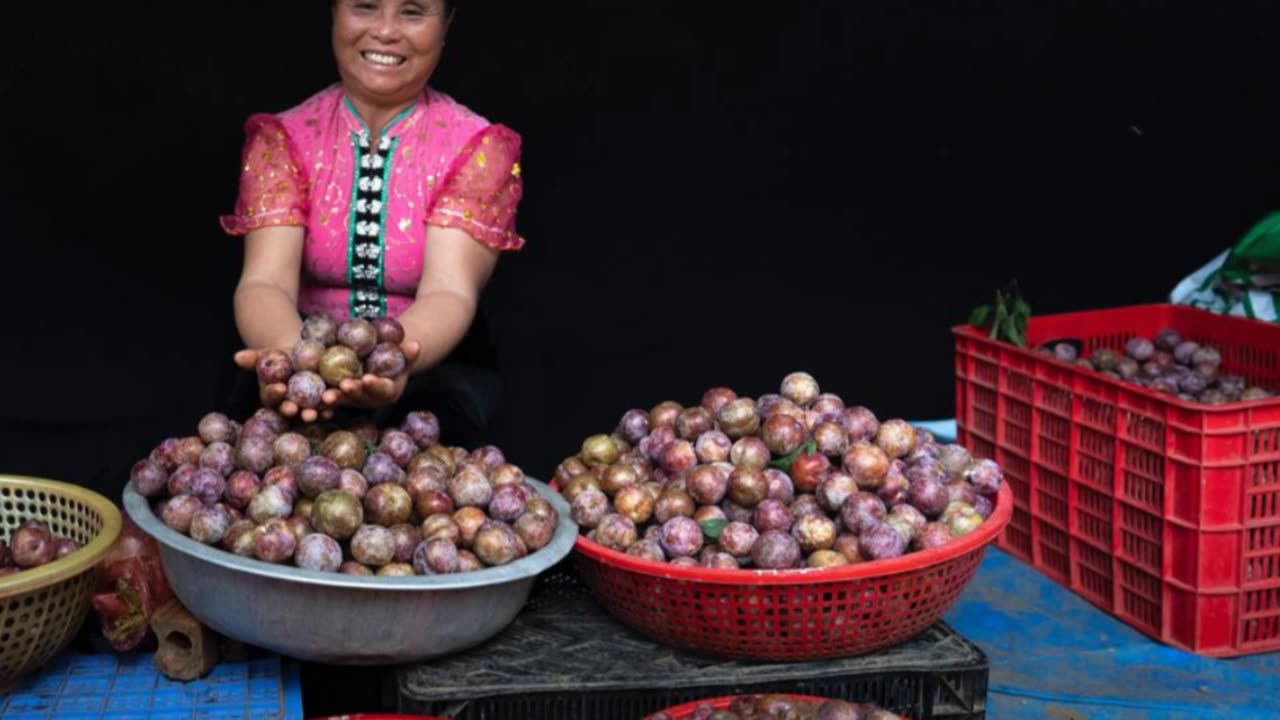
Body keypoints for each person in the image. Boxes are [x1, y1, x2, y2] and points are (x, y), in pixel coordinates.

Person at [220, 0, 525, 438]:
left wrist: (392, 364)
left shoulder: (476, 146)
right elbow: (264, 282)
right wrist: (294, 366)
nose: (385, 31)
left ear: (446, 24)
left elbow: (450, 291)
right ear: (334, 13)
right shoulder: (282, 138)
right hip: (292, 353)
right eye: (365, 7)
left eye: (413, 12)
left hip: (426, 370)